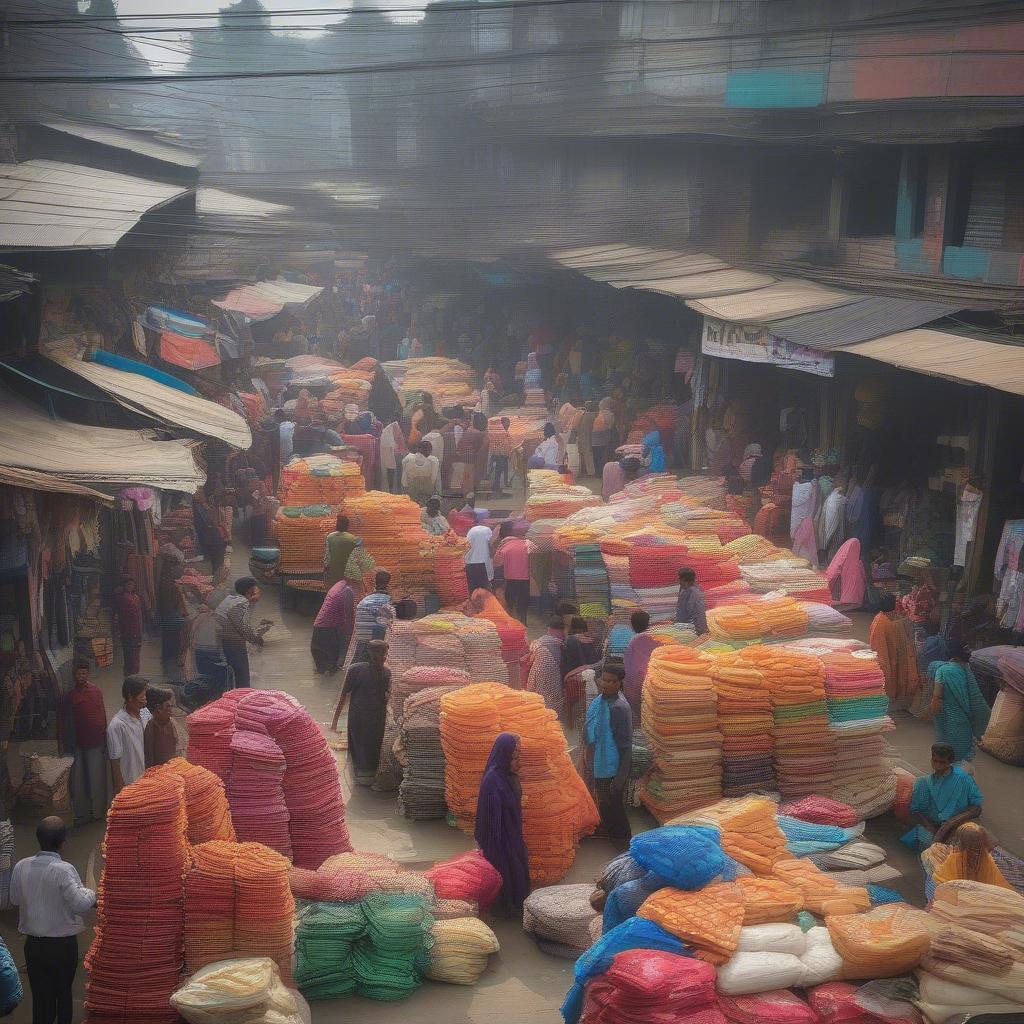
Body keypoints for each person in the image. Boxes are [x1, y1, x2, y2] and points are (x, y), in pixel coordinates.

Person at [10, 817, 96, 1024]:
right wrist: (93, 894)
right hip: (61, 947)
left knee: (40, 998)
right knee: (63, 995)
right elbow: (79, 904)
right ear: (63, 842)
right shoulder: (63, 869)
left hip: (33, 946)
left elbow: (13, 899)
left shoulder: (22, 866)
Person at [474, 733, 531, 916]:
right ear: (504, 754)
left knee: (518, 866)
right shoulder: (493, 781)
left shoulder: (507, 776)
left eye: (519, 756)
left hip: (511, 832)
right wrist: (498, 850)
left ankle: (514, 904)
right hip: (499, 839)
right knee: (507, 869)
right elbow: (491, 824)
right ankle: (505, 907)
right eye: (514, 756)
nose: (518, 761)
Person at [585, 665, 633, 851]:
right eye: (603, 679)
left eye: (611, 681)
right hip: (600, 761)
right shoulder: (600, 701)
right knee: (606, 803)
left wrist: (621, 777)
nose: (605, 684)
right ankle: (615, 837)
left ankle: (624, 844)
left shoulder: (619, 708)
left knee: (614, 807)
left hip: (611, 766)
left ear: (620, 683)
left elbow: (625, 745)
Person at [60, 659, 108, 825]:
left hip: (96, 743)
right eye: (79, 673)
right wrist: (66, 746)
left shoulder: (96, 691)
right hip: (78, 745)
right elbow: (65, 723)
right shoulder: (70, 696)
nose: (82, 676)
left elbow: (102, 715)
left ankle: (97, 813)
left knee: (96, 779)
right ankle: (81, 814)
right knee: (78, 782)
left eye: (84, 673)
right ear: (74, 675)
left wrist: (105, 737)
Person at [338, 639, 392, 783]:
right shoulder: (384, 672)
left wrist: (335, 721)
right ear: (370, 653)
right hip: (366, 715)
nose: (383, 656)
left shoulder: (358, 669)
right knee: (368, 742)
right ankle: (366, 772)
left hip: (369, 715)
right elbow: (344, 695)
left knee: (364, 743)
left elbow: (344, 694)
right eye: (380, 653)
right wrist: (335, 721)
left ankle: (362, 773)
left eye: (384, 653)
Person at [928, 643, 991, 765]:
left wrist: (932, 713)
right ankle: (962, 779)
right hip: (964, 723)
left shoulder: (942, 671)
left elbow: (937, 697)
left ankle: (949, 781)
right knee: (962, 757)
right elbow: (975, 697)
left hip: (948, 722)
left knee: (946, 755)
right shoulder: (967, 671)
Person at [909, 742, 983, 845]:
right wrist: (928, 825)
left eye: (942, 762)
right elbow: (915, 810)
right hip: (934, 826)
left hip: (959, 823)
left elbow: (977, 809)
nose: (938, 765)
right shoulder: (923, 782)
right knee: (922, 848)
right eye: (935, 761)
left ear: (950, 762)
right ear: (931, 759)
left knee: (964, 848)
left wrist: (951, 823)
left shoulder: (963, 779)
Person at [215, 577, 272, 689]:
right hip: (233, 643)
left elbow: (239, 623)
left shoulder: (231, 599)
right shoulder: (242, 603)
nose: (259, 590)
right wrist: (257, 639)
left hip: (222, 641)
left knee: (233, 676)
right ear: (250, 591)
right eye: (256, 588)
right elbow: (243, 627)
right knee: (242, 679)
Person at [869, 593, 921, 706]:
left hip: (889, 659)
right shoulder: (885, 624)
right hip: (887, 662)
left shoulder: (880, 619)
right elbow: (883, 651)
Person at [929, 821, 1012, 889]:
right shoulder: (956, 859)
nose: (976, 853)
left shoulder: (985, 858)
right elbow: (945, 884)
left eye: (978, 848)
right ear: (964, 846)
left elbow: (996, 884)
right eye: (972, 848)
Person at [107, 675, 152, 795]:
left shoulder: (145, 713)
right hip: (130, 783)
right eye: (142, 695)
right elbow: (115, 760)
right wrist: (120, 787)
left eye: (145, 694)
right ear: (130, 697)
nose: (145, 699)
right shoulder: (117, 725)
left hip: (148, 778)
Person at [493, 521, 535, 624]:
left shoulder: (504, 547)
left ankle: (511, 621)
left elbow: (497, 564)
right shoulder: (528, 544)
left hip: (509, 580)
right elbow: (535, 560)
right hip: (526, 579)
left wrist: (498, 583)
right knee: (523, 603)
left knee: (510, 601)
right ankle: (523, 621)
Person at [311, 578, 355, 674]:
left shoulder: (339, 584)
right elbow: (348, 616)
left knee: (322, 669)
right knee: (332, 668)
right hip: (329, 631)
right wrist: (349, 633)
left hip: (319, 628)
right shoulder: (348, 591)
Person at [324, 514, 376, 591]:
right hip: (350, 576)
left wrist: (326, 570)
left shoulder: (330, 537)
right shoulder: (354, 539)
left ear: (336, 525)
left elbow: (327, 559)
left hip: (334, 576)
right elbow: (361, 559)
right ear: (347, 525)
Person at [526, 616, 566, 716]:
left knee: (540, 694)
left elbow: (531, 652)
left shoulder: (540, 642)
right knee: (552, 694)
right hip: (553, 674)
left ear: (549, 629)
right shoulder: (560, 643)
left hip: (539, 673)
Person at [353, 570, 395, 661]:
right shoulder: (387, 600)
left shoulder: (364, 600)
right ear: (388, 584)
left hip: (360, 639)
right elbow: (388, 624)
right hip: (374, 640)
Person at [623, 610, 658, 720]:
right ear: (648, 624)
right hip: (651, 679)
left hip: (636, 683)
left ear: (632, 626)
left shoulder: (632, 643)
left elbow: (629, 666)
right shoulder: (653, 639)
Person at [193, 487, 228, 578]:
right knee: (216, 563)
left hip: (211, 538)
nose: (201, 496)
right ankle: (216, 579)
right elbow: (219, 524)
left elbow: (213, 522)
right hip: (213, 538)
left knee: (215, 563)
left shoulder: (207, 508)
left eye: (201, 493)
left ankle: (215, 578)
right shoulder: (207, 508)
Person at [825, 537, 867, 611]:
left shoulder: (843, 561)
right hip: (856, 601)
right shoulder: (859, 564)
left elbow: (832, 574)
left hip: (845, 599)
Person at [112, 576, 143, 676]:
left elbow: (139, 614)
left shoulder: (136, 597)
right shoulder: (122, 598)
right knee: (128, 651)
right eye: (128, 584)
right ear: (124, 586)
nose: (131, 586)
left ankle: (133, 671)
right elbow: (121, 614)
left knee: (135, 651)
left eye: (132, 584)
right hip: (126, 629)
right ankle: (129, 672)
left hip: (136, 628)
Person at [143, 687, 177, 768]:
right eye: (167, 707)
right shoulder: (151, 727)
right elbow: (149, 758)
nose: (171, 711)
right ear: (158, 709)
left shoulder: (170, 724)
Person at [402, 440, 440, 506]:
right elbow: (434, 478)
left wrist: (406, 488)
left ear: (418, 449)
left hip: (412, 489)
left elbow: (404, 480)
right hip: (427, 489)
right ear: (431, 450)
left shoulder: (408, 458)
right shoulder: (434, 460)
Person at [464, 518, 496, 593]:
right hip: (484, 564)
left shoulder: (472, 531)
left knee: (472, 591)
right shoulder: (487, 531)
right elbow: (490, 545)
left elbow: (467, 546)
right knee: (486, 592)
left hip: (469, 564)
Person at [675, 567, 707, 635]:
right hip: (695, 628)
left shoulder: (690, 593)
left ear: (683, 579)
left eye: (679, 579)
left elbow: (684, 616)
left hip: (692, 630)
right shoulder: (694, 590)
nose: (679, 582)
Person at [379, 419, 407, 493]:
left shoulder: (395, 427)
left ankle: (398, 489)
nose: (399, 431)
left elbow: (400, 441)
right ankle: (393, 490)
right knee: (392, 473)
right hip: (390, 456)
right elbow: (394, 444)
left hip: (395, 454)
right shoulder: (392, 428)